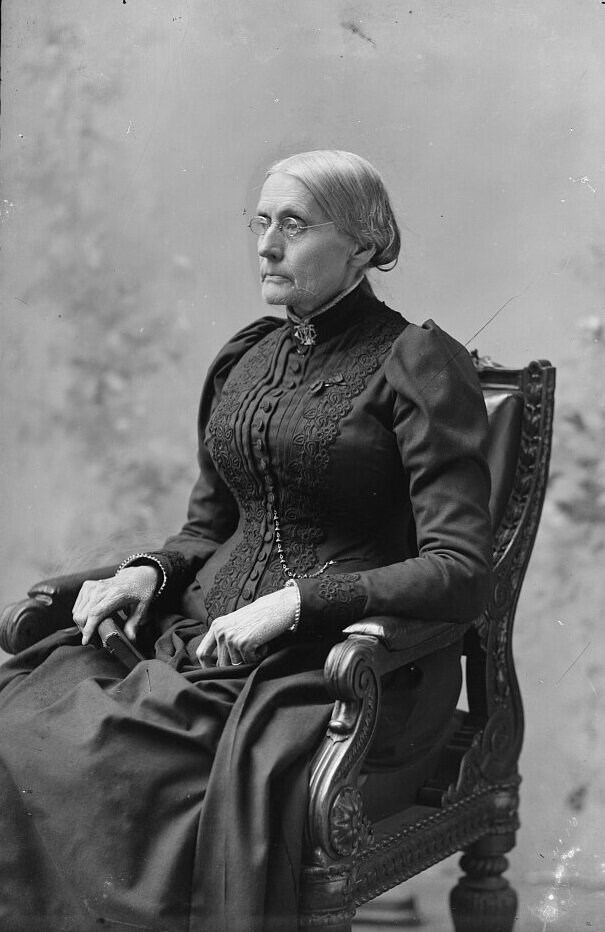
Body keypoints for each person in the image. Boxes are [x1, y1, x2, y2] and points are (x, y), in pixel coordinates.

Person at [0, 150, 492, 932]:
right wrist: (146, 574)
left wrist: (297, 603)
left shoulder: (418, 366)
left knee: (105, 764)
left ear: (363, 246)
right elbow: (209, 528)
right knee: (20, 720)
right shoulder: (248, 356)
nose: (266, 245)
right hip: (196, 646)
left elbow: (460, 573)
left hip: (337, 676)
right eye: (260, 222)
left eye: (293, 226)